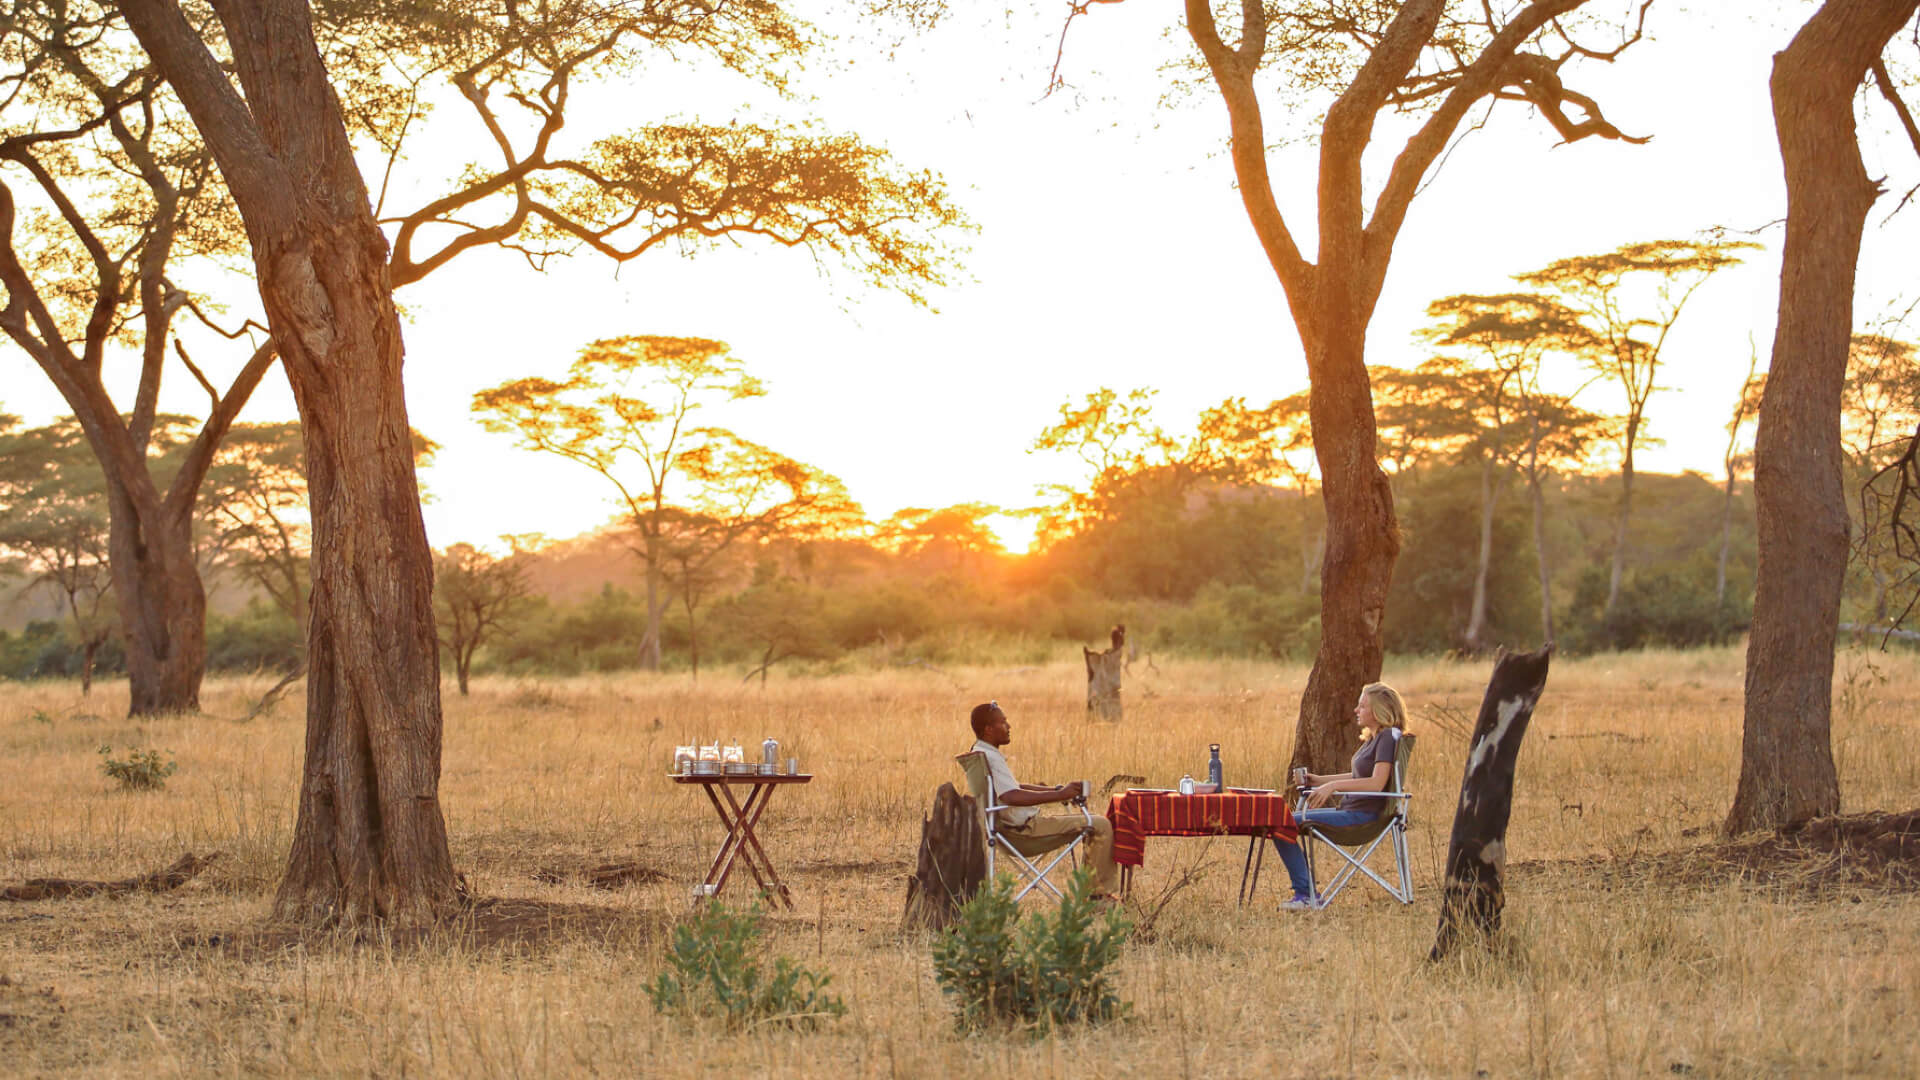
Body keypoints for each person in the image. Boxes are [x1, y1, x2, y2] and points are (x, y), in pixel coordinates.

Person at [1272, 681, 1408, 911]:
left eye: (1362, 706)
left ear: (1378, 711)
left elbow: (1376, 784)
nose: (1356, 710)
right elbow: (1358, 775)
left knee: (1281, 823)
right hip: (1352, 812)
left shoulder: (1387, 738)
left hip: (1363, 817)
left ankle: (1306, 895)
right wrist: (1320, 780)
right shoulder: (1375, 739)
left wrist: (1333, 786)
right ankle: (1306, 893)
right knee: (1282, 821)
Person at [968, 700, 1120, 899]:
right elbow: (1010, 796)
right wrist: (1059, 795)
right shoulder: (991, 757)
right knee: (1101, 824)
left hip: (1004, 831)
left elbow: (1015, 787)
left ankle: (1092, 891)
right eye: (1003, 722)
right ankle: (1098, 897)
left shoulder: (980, 752)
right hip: (1023, 834)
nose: (1009, 726)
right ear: (988, 729)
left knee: (1094, 822)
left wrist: (1056, 790)